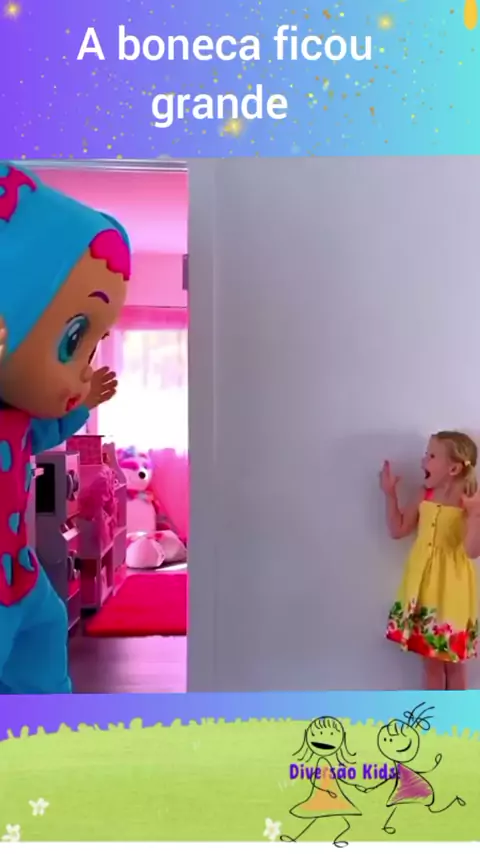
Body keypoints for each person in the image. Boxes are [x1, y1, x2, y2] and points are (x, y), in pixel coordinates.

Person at [0, 161, 131, 693]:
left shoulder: (18, 420)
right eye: (73, 340)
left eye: (92, 345)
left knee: (43, 644)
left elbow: (44, 438)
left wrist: (81, 405)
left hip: (20, 574)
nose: (83, 370)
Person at [379, 430, 480, 690]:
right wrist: (390, 494)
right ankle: (434, 714)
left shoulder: (469, 502)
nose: (423, 461)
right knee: (430, 663)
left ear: (454, 468)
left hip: (453, 589)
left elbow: (472, 551)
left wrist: (475, 515)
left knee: (454, 662)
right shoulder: (425, 495)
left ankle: (459, 715)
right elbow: (398, 529)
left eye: (432, 456)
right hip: (423, 586)